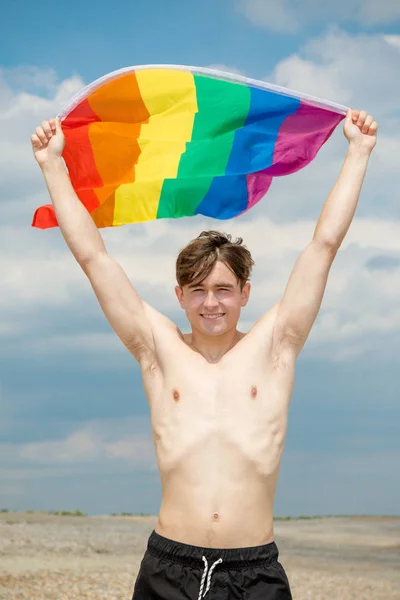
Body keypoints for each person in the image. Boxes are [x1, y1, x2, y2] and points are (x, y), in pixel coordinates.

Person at [31, 108, 378, 599]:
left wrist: (358, 153)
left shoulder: (274, 349)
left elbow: (323, 246)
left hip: (255, 572)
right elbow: (94, 258)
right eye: (196, 290)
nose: (210, 302)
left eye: (222, 289)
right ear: (179, 296)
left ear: (245, 293)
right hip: (168, 566)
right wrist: (51, 165)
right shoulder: (159, 352)